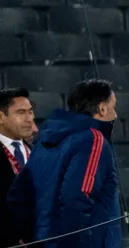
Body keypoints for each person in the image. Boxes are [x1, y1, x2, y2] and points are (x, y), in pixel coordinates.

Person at [7, 79, 121, 248]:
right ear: (102, 109)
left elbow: (17, 196)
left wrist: (37, 241)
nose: (116, 114)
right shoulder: (93, 139)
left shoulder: (43, 141)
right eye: (113, 106)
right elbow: (78, 197)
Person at [0, 88, 35, 247]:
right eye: (21, 112)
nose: (29, 119)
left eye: (30, 111)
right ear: (1, 117)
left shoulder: (39, 152)